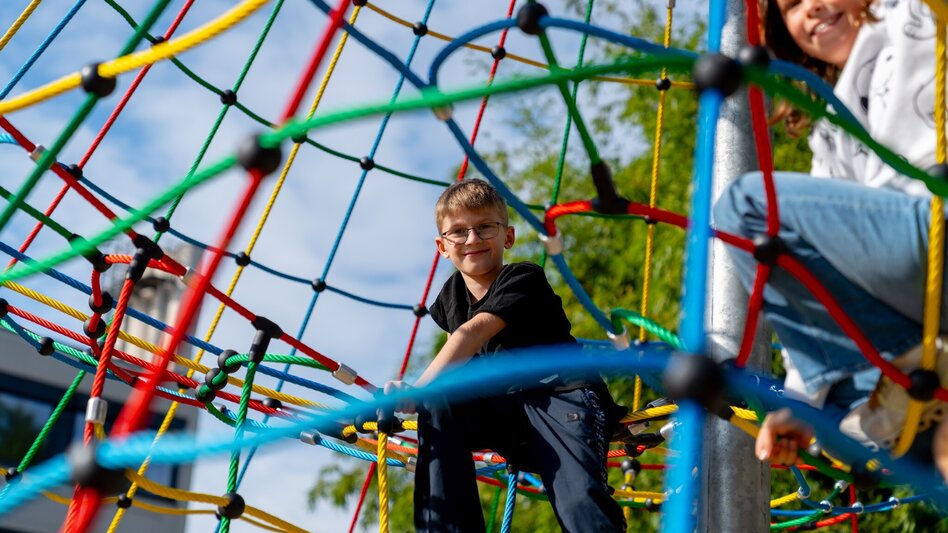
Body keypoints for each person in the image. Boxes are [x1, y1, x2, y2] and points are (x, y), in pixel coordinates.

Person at [712, 0, 948, 481]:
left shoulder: (914, 19)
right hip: (917, 296)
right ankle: (917, 392)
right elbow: (814, 287)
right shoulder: (829, 132)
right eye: (793, 7)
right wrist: (800, 405)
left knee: (747, 209)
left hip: (933, 227)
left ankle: (900, 375)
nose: (813, 8)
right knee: (833, 412)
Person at [384, 179, 627, 532]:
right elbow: (459, 356)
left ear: (507, 237)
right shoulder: (450, 296)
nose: (472, 239)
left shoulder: (523, 277)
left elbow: (473, 332)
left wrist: (415, 390)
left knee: (578, 504)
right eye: (458, 231)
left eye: (485, 227)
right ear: (442, 246)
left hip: (560, 398)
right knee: (438, 401)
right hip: (504, 411)